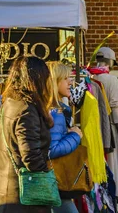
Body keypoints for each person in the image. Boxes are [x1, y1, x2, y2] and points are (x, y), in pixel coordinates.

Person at [0, 56, 54, 213]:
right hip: (23, 197)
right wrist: (49, 177)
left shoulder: (8, 104)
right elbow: (31, 157)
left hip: (2, 190)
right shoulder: (26, 109)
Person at [47, 61, 83, 213]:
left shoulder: (54, 109)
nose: (70, 81)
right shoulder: (57, 112)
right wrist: (75, 135)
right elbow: (52, 149)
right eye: (65, 78)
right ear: (54, 82)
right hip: (56, 179)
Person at [94, 46, 118, 200]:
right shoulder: (111, 80)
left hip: (93, 126)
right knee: (114, 161)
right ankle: (114, 193)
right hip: (111, 126)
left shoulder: (89, 76)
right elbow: (115, 107)